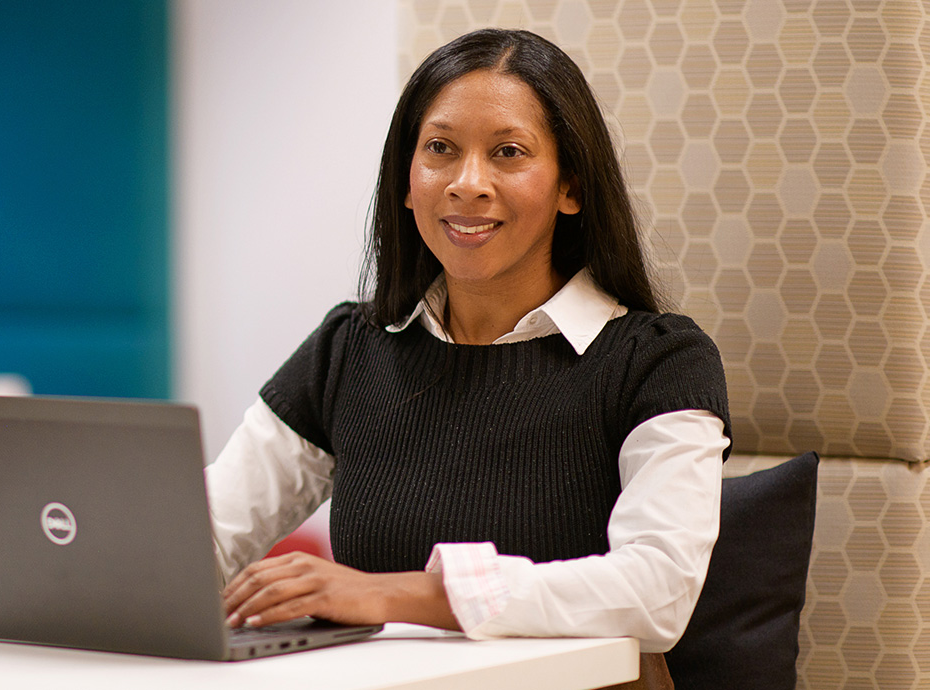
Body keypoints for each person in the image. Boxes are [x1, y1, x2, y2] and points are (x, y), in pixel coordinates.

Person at [205, 27, 730, 680]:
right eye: (440, 150)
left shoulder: (658, 360)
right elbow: (204, 534)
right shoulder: (349, 347)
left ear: (570, 187)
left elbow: (659, 591)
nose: (468, 183)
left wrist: (403, 595)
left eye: (508, 152)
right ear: (406, 181)